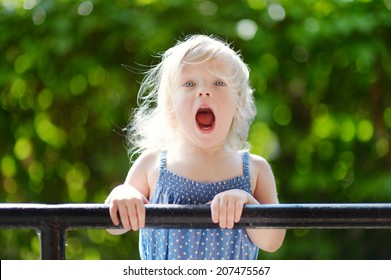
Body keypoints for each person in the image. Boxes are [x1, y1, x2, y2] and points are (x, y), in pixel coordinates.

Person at [105, 34, 285, 260]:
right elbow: (114, 226)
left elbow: (273, 241)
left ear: (239, 103)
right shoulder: (152, 164)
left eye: (218, 82)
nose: (204, 91)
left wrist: (248, 203)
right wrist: (123, 194)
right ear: (171, 106)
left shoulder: (254, 169)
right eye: (189, 84)